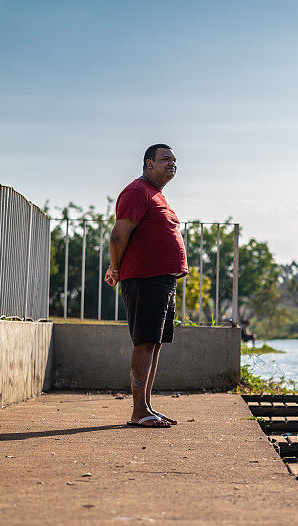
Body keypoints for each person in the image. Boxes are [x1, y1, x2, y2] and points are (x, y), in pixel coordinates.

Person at [104, 144, 188, 428]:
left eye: (174, 160)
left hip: (162, 278)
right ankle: (138, 411)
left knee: (155, 342)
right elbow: (119, 236)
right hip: (145, 278)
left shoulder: (157, 194)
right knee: (144, 341)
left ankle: (147, 406)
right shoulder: (137, 191)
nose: (172, 164)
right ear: (149, 164)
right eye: (165, 159)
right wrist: (116, 269)